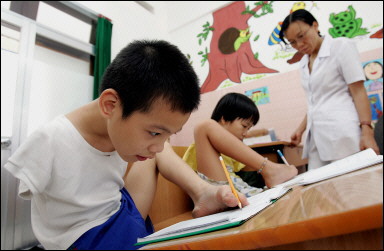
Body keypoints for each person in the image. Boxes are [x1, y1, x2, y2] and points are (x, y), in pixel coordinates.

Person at [4, 40, 249, 250]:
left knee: (152, 153)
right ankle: (202, 191)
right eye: (155, 132)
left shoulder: (122, 132)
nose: (160, 146)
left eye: (168, 135)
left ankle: (202, 191)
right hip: (89, 238)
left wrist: (154, 136)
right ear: (110, 105)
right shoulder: (51, 140)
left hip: (123, 214)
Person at [279, 9, 380, 170]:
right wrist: (300, 129)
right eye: (292, 42)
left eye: (301, 36)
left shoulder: (340, 46)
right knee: (324, 190)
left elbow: (358, 91)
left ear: (315, 25)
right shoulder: (304, 63)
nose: (299, 45)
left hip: (343, 132)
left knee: (353, 186)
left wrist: (367, 131)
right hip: (317, 138)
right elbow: (315, 102)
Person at [183, 92, 298, 197]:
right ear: (224, 119)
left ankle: (273, 171)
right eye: (244, 126)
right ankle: (272, 170)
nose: (245, 133)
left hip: (245, 192)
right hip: (222, 193)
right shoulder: (203, 146)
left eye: (248, 128)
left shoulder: (231, 149)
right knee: (204, 126)